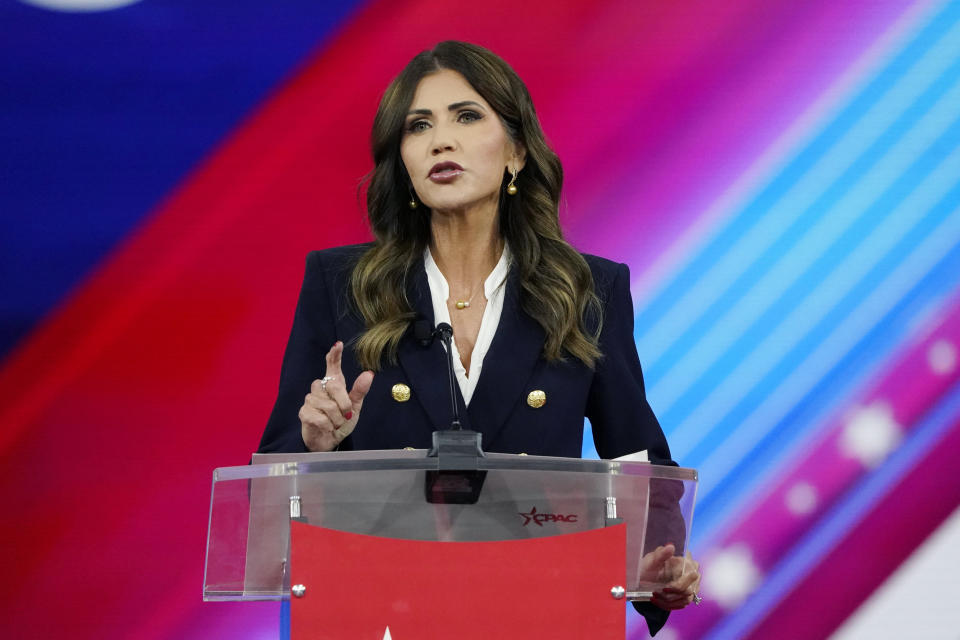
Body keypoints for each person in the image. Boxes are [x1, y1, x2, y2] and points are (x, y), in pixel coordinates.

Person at [257, 40, 700, 634]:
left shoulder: (586, 289)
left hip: (540, 609)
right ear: (406, 164)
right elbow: (273, 484)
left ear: (516, 150)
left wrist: (659, 571)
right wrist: (317, 445)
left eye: (467, 117)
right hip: (377, 613)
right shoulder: (342, 285)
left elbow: (636, 457)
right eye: (419, 127)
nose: (442, 140)